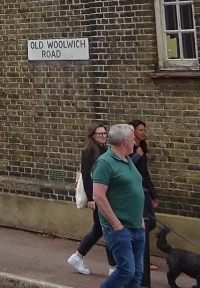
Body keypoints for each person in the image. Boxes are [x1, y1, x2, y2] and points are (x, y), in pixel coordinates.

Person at [92, 123, 146, 288]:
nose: (135, 142)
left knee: (137, 274)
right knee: (126, 271)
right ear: (124, 141)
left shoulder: (128, 160)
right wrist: (117, 226)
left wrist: (141, 222)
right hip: (120, 228)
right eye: (132, 139)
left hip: (137, 226)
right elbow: (98, 196)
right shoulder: (105, 162)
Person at [69, 121, 117, 276]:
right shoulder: (89, 151)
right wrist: (91, 198)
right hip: (98, 197)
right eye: (100, 133)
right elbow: (86, 175)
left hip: (104, 195)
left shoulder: (104, 149)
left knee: (98, 229)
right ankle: (113, 267)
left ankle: (77, 257)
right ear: (92, 136)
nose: (103, 136)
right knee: (107, 229)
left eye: (104, 133)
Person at [129, 119, 159, 285]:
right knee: (144, 224)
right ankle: (141, 259)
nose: (144, 133)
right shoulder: (130, 149)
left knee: (150, 223)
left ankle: (140, 256)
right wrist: (137, 156)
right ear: (133, 131)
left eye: (144, 130)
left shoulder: (142, 148)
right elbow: (127, 167)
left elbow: (145, 173)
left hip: (144, 190)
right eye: (140, 130)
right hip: (135, 191)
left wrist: (153, 194)